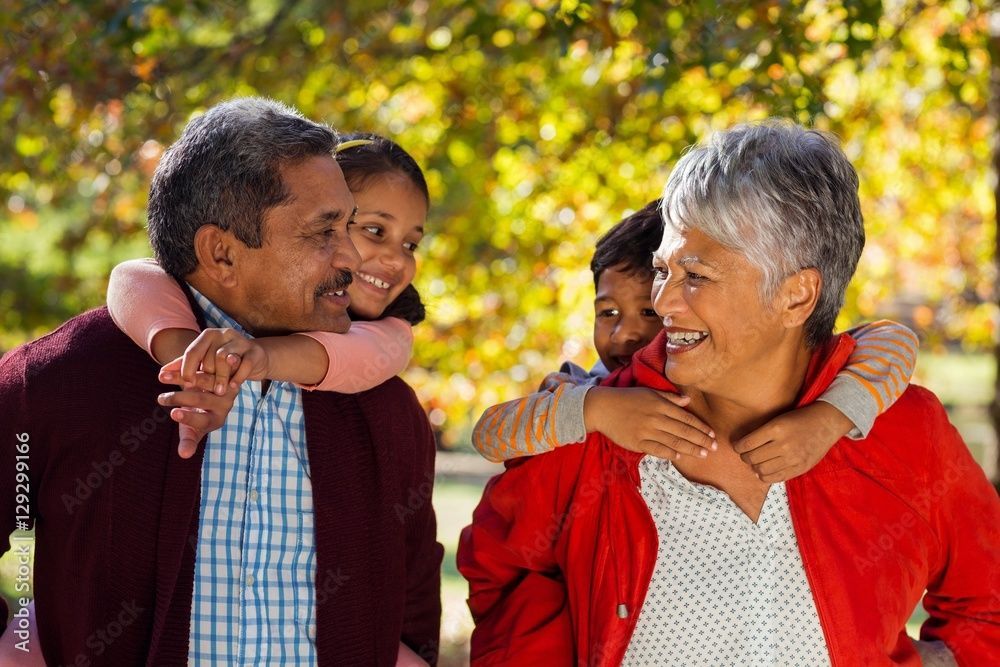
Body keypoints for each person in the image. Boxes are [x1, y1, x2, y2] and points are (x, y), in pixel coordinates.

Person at [458, 121, 1000, 665]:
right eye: (662, 270)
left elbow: (987, 604)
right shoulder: (591, 426)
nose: (663, 304)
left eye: (696, 275)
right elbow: (507, 573)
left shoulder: (908, 431)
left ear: (795, 296)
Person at [0, 98, 442, 666]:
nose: (354, 257)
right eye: (324, 231)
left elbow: (414, 607)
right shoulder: (57, 382)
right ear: (221, 252)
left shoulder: (387, 408)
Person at [472, 200, 918, 485]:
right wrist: (596, 409)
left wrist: (828, 419)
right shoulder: (583, 386)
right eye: (607, 313)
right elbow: (489, 435)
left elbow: (894, 340)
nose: (625, 333)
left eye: (649, 312)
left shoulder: (785, 373)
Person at [105, 133, 429, 458]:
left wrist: (254, 357)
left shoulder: (392, 335)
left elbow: (360, 352)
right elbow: (130, 277)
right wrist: (195, 366)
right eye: (374, 230)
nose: (397, 259)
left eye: (410, 245)